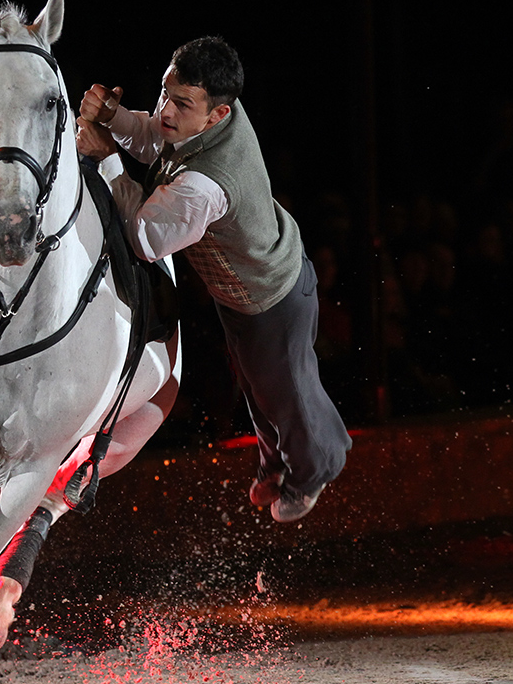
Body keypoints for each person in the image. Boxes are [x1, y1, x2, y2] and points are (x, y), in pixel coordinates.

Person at [76, 36, 351, 522]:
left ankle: (314, 473)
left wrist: (105, 156)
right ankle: (276, 468)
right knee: (257, 388)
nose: (164, 109)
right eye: (165, 92)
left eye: (180, 103)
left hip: (271, 300)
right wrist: (115, 120)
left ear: (217, 116)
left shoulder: (206, 185)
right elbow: (154, 134)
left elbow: (144, 236)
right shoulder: (201, 116)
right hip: (249, 289)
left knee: (289, 396)